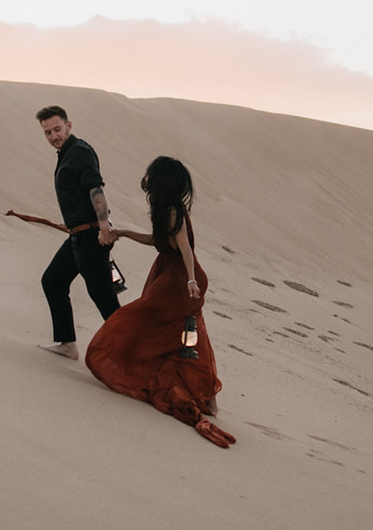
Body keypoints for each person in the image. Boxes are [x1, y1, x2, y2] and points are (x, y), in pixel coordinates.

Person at [85, 156, 236, 448]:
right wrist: (125, 233)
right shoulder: (164, 209)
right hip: (170, 274)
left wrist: (191, 280)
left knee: (145, 321)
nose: (148, 179)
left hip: (179, 279)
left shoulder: (171, 210)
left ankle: (204, 394)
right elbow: (159, 242)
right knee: (189, 336)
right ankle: (209, 398)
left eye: (152, 175)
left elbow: (185, 249)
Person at [36, 105, 120, 359]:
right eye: (48, 132)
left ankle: (131, 355)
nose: (53, 136)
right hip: (77, 236)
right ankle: (67, 343)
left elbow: (96, 189)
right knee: (53, 281)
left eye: (57, 129)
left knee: (104, 298)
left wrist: (104, 228)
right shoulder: (66, 153)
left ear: (69, 125)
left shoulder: (79, 152)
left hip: (91, 237)